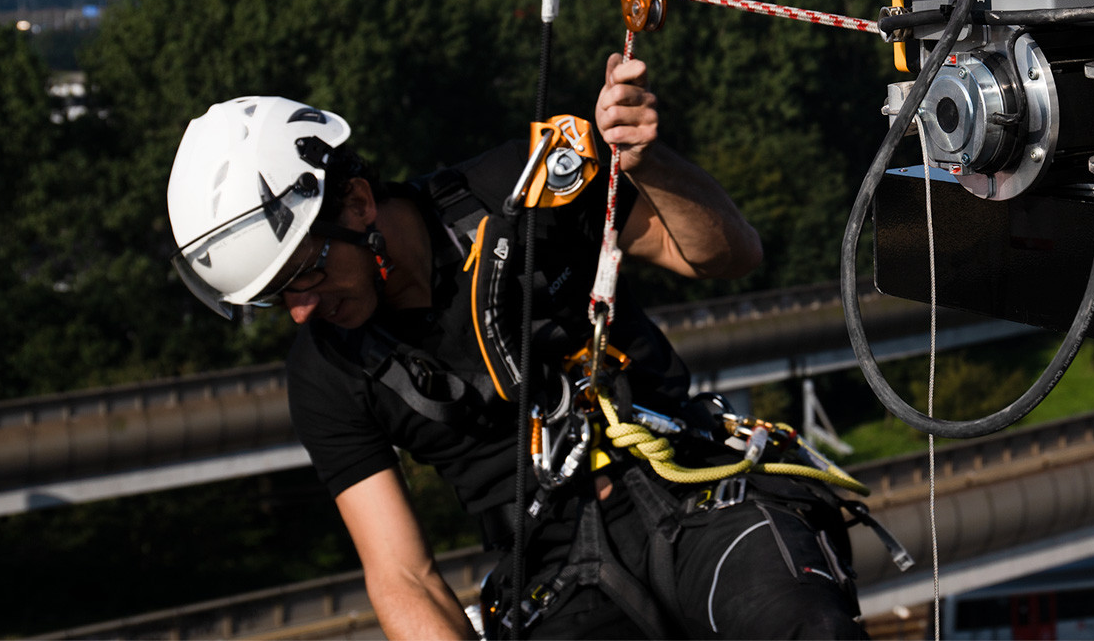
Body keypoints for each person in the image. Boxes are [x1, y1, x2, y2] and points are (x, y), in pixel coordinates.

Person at [166, 55, 877, 639]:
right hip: (555, 571)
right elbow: (402, 575)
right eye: (274, 298)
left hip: (695, 494)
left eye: (308, 273)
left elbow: (727, 255)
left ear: (356, 205)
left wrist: (650, 165)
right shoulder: (329, 370)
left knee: (806, 627)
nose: (301, 310)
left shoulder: (516, 190)